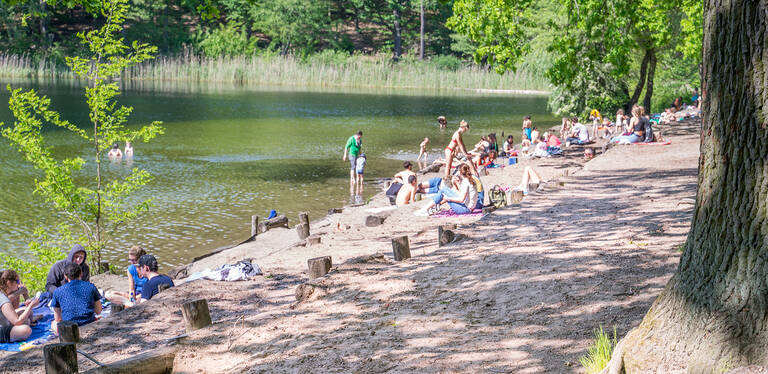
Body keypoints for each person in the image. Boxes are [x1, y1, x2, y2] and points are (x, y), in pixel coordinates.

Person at [51, 262, 102, 335]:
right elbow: (98, 310)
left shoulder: (58, 291)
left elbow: (57, 318)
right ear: (81, 273)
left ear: (65, 276)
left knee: (54, 323)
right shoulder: (90, 286)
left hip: (69, 329)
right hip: (89, 324)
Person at [0, 270, 38, 343]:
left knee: (26, 314)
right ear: (8, 283)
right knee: (26, 330)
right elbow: (17, 322)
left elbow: (14, 309)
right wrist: (31, 306)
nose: (19, 284)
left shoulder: (4, 294)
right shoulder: (3, 300)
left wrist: (24, 294)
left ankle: (31, 320)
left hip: (4, 321)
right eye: (17, 281)